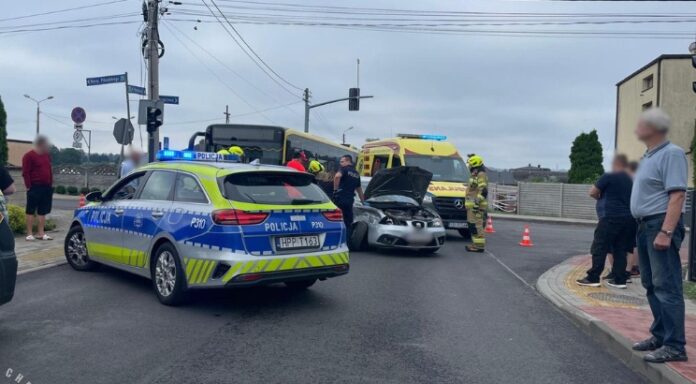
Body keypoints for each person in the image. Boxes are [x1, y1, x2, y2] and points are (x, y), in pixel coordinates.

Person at [630, 108, 688, 363]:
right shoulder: (648, 157)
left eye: (642, 123)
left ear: (656, 128)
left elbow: (677, 195)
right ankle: (661, 335)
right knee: (651, 285)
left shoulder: (671, 154)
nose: (637, 127)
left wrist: (666, 231)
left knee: (667, 287)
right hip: (644, 226)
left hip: (659, 225)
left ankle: (675, 347)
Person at [576, 154, 634, 289]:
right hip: (628, 219)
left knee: (599, 247)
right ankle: (619, 280)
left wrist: (600, 198)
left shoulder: (609, 175)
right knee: (621, 249)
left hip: (610, 217)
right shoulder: (631, 179)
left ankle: (593, 277)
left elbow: (593, 192)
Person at [22, 135, 53, 241]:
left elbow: (49, 170)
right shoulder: (28, 156)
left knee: (42, 211)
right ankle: (29, 234)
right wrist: (28, 186)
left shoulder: (47, 155)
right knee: (30, 210)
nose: (47, 147)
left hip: (46, 187)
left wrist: (50, 184)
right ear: (40, 144)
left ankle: (41, 233)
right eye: (45, 144)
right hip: (34, 187)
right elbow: (25, 172)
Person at [333, 155, 364, 238]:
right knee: (348, 223)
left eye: (342, 161)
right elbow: (359, 189)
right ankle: (347, 242)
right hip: (349, 201)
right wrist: (363, 201)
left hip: (340, 199)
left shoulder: (344, 169)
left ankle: (337, 240)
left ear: (348, 161)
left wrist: (335, 191)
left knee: (336, 220)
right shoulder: (356, 174)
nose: (340, 164)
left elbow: (337, 176)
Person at [465, 154, 488, 253]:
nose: (469, 166)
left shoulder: (481, 174)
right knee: (472, 225)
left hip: (477, 206)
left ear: (475, 165)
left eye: (470, 165)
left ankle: (479, 246)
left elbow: (483, 191)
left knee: (477, 225)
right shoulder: (476, 174)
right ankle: (475, 244)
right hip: (472, 207)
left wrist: (476, 204)